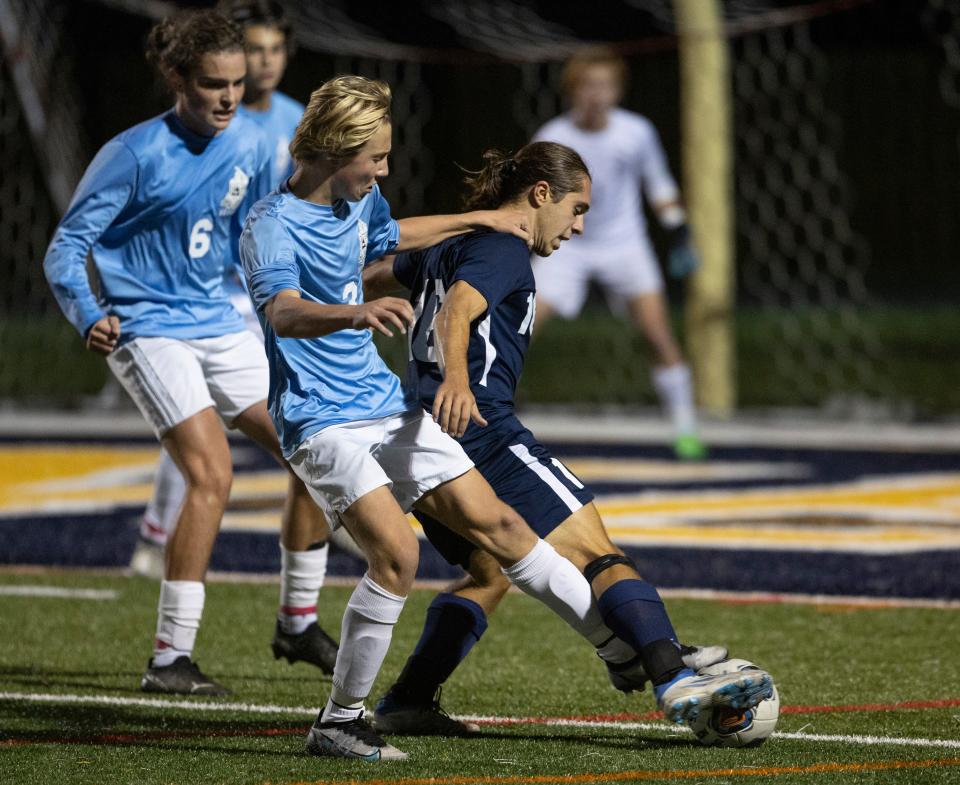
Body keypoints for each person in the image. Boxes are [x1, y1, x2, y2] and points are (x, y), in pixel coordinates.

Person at [240, 75, 656, 762]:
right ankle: (340, 721)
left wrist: (481, 220)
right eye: (374, 157)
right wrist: (354, 312)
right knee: (397, 554)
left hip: (380, 402)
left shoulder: (359, 197)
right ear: (336, 148)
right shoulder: (269, 225)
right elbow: (282, 311)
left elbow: (392, 232)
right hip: (319, 419)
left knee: (503, 527)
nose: (383, 169)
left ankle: (623, 651)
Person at [361, 141, 771, 737]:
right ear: (540, 195)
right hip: (483, 433)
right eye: (577, 209)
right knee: (597, 553)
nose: (579, 226)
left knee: (488, 572)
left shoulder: (454, 245)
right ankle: (669, 674)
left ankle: (407, 701)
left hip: (423, 437)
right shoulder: (503, 249)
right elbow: (457, 309)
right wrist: (456, 376)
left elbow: (373, 274)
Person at [43, 9, 333, 695]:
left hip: (217, 320)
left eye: (236, 83)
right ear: (177, 78)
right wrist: (90, 314)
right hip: (148, 327)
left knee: (319, 451)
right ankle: (169, 657)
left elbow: (256, 232)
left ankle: (296, 621)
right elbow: (65, 248)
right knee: (212, 474)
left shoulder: (252, 142)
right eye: (212, 84)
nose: (230, 97)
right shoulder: (134, 153)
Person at [126, 0, 342, 677]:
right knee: (205, 460)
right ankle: (170, 636)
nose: (258, 65)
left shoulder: (290, 122)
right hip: (197, 309)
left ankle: (298, 620)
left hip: (251, 302)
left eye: (268, 53)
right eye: (247, 55)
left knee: (313, 442)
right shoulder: (174, 139)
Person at [532, 45, 706, 460]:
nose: (596, 94)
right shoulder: (552, 138)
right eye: (588, 85)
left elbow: (659, 184)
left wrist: (679, 228)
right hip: (567, 245)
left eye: (605, 86)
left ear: (618, 90)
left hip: (624, 243)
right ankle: (486, 414)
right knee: (520, 327)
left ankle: (686, 427)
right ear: (572, 89)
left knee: (658, 333)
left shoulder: (636, 132)